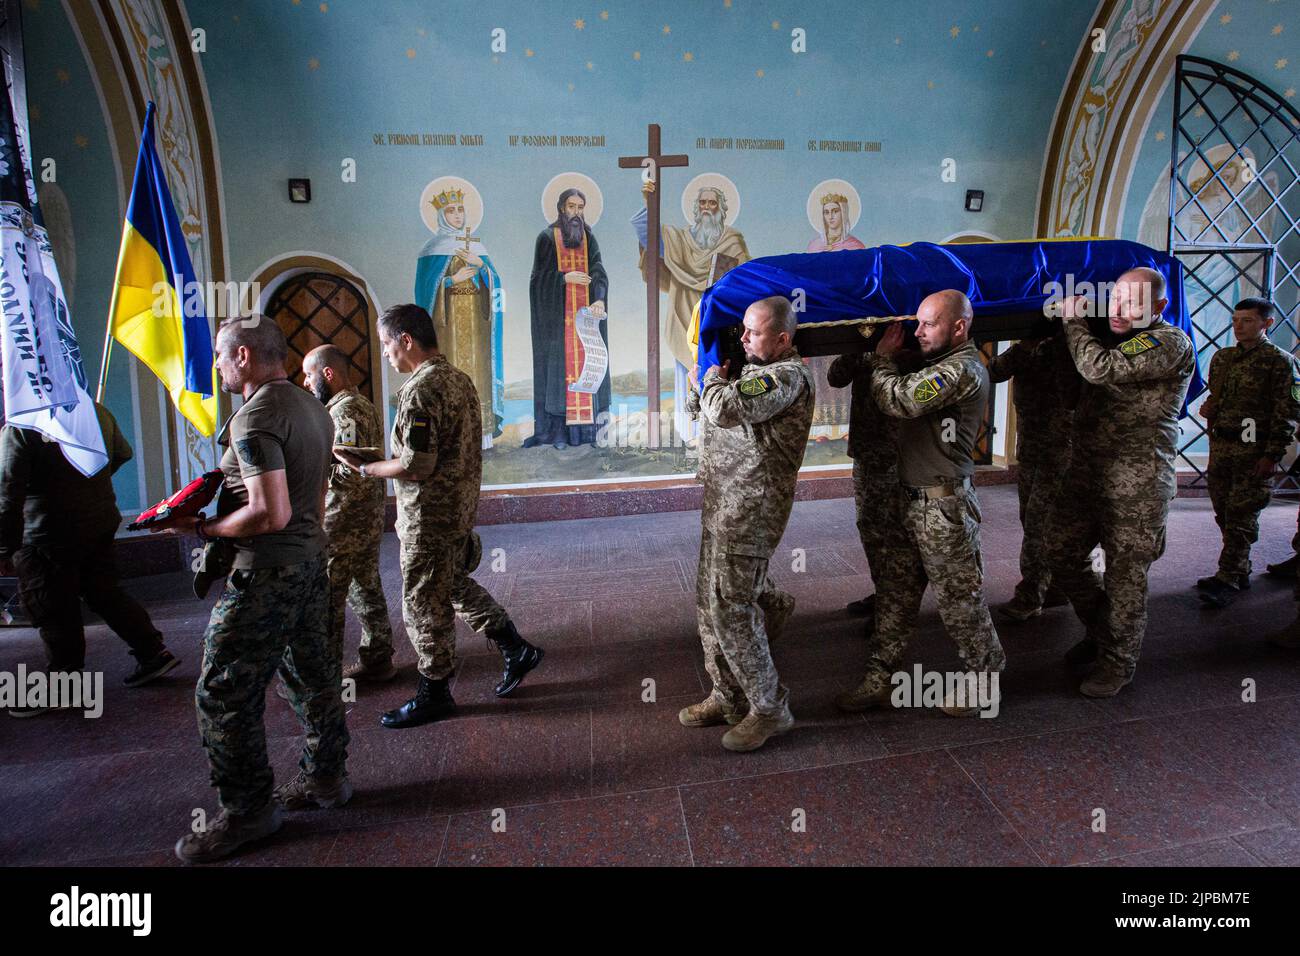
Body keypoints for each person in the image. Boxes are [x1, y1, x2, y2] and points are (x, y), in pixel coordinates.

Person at [164, 316, 349, 864]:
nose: (218, 367)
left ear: (243, 356)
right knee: (313, 676)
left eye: (222, 357)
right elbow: (311, 498)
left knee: (222, 692)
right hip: (311, 562)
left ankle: (248, 811)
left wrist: (199, 529)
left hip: (266, 573)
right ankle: (326, 779)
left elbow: (271, 512)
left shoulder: (256, 419)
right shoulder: (311, 405)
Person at [337, 304, 542, 729]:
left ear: (406, 340)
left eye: (387, 345)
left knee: (420, 601)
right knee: (448, 584)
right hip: (456, 509)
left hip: (428, 517)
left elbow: (416, 464)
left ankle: (434, 692)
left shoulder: (420, 390)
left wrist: (368, 467)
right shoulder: (459, 380)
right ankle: (515, 647)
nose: (387, 356)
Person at [836, 291, 1005, 717]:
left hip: (943, 510)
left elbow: (901, 399)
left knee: (959, 601)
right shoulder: (935, 363)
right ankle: (881, 675)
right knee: (896, 592)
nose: (918, 331)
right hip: (911, 503)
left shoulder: (963, 368)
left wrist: (882, 358)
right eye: (918, 322)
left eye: (929, 324)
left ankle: (985, 679)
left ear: (959, 327)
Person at [1046, 268, 1195, 697]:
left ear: (1160, 307)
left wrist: (1072, 319)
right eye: (1114, 299)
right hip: (1089, 473)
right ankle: (1103, 632)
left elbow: (1098, 368)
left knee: (1125, 577)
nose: (1118, 310)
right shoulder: (1116, 336)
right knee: (1059, 551)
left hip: (1138, 486)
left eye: (1132, 302)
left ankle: (1117, 663)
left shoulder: (1168, 342)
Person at [680, 295, 813, 753]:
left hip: (753, 508)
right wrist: (706, 381)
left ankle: (770, 707)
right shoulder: (749, 371)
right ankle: (728, 694)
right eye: (741, 330)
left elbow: (724, 409)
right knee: (707, 602)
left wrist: (714, 379)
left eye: (752, 332)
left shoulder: (786, 376)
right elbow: (703, 411)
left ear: (781, 339)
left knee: (732, 607)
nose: (742, 337)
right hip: (723, 500)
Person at [0, 400, 178, 715]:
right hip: (98, 520)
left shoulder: (22, 423)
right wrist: (86, 483)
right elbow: (122, 453)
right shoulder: (94, 409)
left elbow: (8, 492)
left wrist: (4, 548)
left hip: (45, 532)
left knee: (52, 606)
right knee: (105, 593)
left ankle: (64, 684)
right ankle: (153, 652)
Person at [300, 345, 396, 681]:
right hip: (361, 518)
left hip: (344, 519)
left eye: (309, 374)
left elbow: (350, 470)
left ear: (328, 373)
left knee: (330, 594)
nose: (305, 382)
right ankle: (378, 658)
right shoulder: (353, 405)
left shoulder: (346, 412)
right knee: (364, 586)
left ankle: (324, 676)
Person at [1196, 298, 1300, 608]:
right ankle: (1238, 567)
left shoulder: (1280, 362)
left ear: (1266, 323)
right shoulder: (1223, 357)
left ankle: (1227, 577)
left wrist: (1271, 455)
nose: (1239, 326)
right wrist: (1211, 417)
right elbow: (1216, 397)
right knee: (1225, 512)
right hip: (1224, 445)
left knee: (1242, 514)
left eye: (1248, 320)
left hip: (1254, 449)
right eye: (1236, 319)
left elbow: (1286, 412)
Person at [633, 180, 751, 444]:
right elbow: (648, 236)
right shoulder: (680, 240)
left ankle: (722, 434)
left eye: (712, 203)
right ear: (696, 209)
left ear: (722, 208)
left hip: (721, 322)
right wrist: (648, 204)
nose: (707, 208)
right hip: (686, 315)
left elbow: (745, 279)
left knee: (724, 370)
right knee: (689, 371)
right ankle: (691, 436)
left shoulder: (733, 241)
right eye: (702, 203)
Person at [987, 331, 1082, 622]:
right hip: (1030, 449)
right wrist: (1024, 348)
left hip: (1061, 453)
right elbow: (993, 372)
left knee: (1039, 524)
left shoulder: (1074, 347)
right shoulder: (1025, 350)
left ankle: (1031, 594)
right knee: (1030, 518)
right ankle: (1056, 585)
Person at [525, 187, 610, 449]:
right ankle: (558, 434)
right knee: (559, 375)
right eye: (571, 207)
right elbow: (537, 280)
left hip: (585, 322)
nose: (576, 212)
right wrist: (564, 278)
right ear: (561, 208)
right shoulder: (547, 238)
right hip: (557, 325)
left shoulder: (588, 238)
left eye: (580, 207)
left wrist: (598, 298)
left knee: (588, 368)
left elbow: (598, 270)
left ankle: (586, 434)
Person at [825, 347, 900, 627]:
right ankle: (884, 594)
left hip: (899, 454)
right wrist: (864, 351)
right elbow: (835, 377)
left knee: (894, 532)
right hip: (867, 450)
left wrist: (884, 354)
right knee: (870, 527)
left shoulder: (911, 339)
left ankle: (895, 606)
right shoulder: (863, 341)